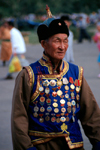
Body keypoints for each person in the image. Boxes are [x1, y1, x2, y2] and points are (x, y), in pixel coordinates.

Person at [11, 5, 100, 150]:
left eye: (65, 41)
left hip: (74, 146)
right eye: (57, 41)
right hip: (41, 146)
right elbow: (18, 118)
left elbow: (91, 113)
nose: (62, 46)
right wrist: (26, 147)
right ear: (43, 44)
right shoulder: (28, 74)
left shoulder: (76, 72)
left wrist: (98, 140)